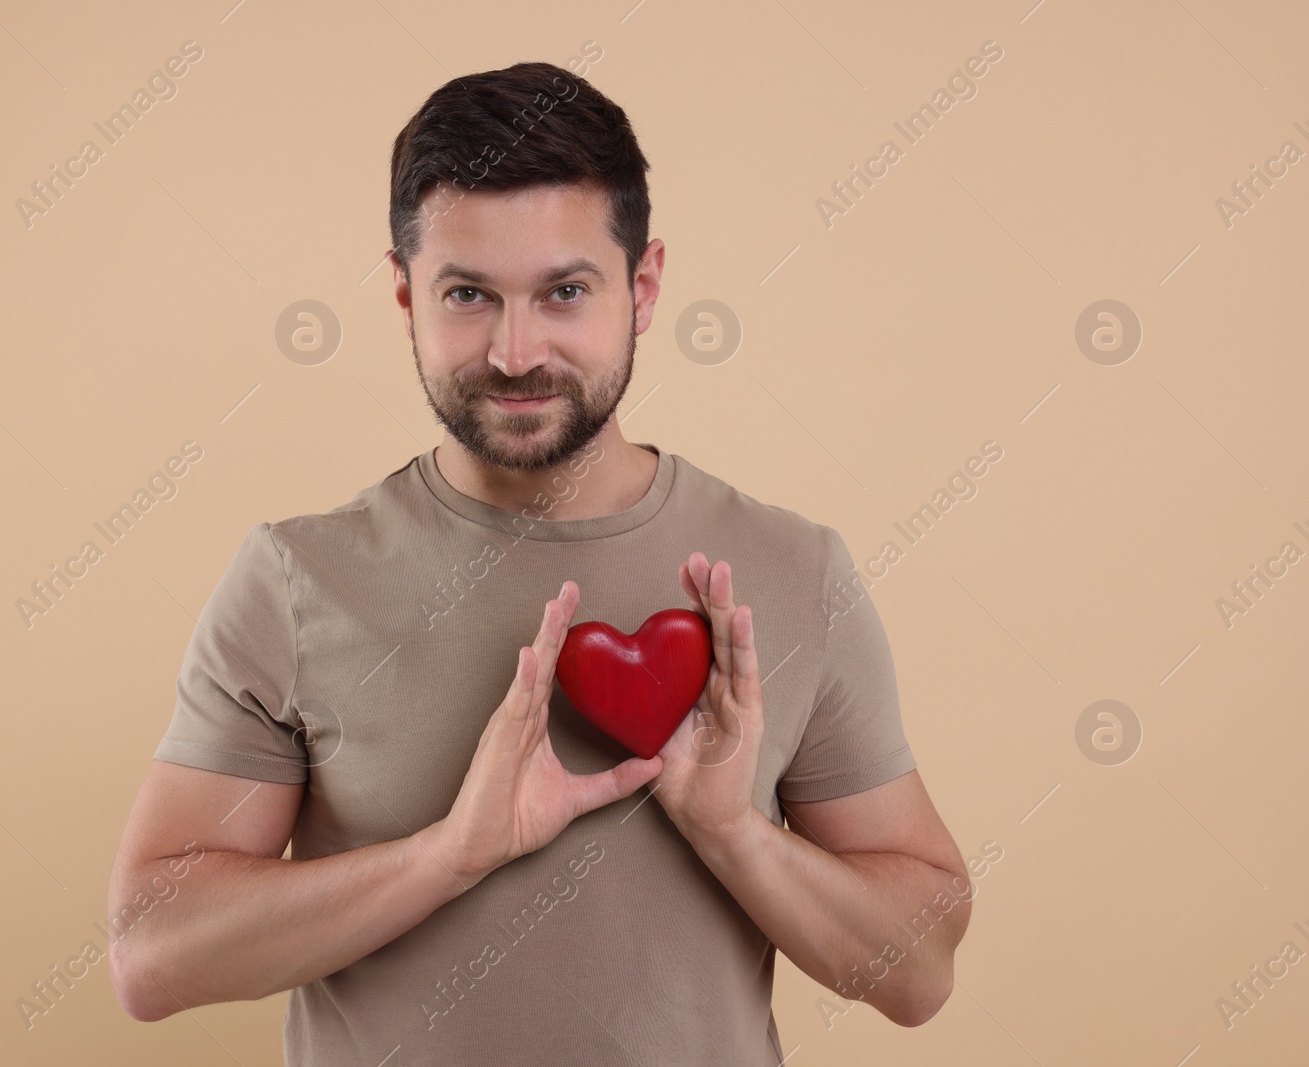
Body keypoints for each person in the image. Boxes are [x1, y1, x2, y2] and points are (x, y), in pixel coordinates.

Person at [108, 59, 971, 1064]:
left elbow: (918, 972)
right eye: (468, 293)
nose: (516, 352)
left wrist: (738, 832)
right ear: (402, 292)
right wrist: (449, 854)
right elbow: (151, 953)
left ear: (642, 287)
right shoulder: (295, 579)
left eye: (564, 291)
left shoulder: (789, 570)